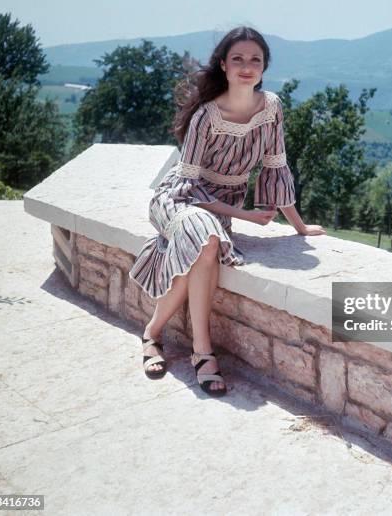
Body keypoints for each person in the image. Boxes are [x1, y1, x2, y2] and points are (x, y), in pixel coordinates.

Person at [128, 26, 326, 397]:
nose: (247, 66)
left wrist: (298, 227)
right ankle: (203, 353)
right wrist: (249, 217)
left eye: (255, 59)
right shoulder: (206, 116)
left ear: (265, 67)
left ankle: (152, 333)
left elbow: (275, 167)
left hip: (219, 208)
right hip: (181, 198)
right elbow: (186, 188)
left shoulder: (271, 108)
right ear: (223, 65)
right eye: (238, 59)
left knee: (204, 247)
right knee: (205, 239)